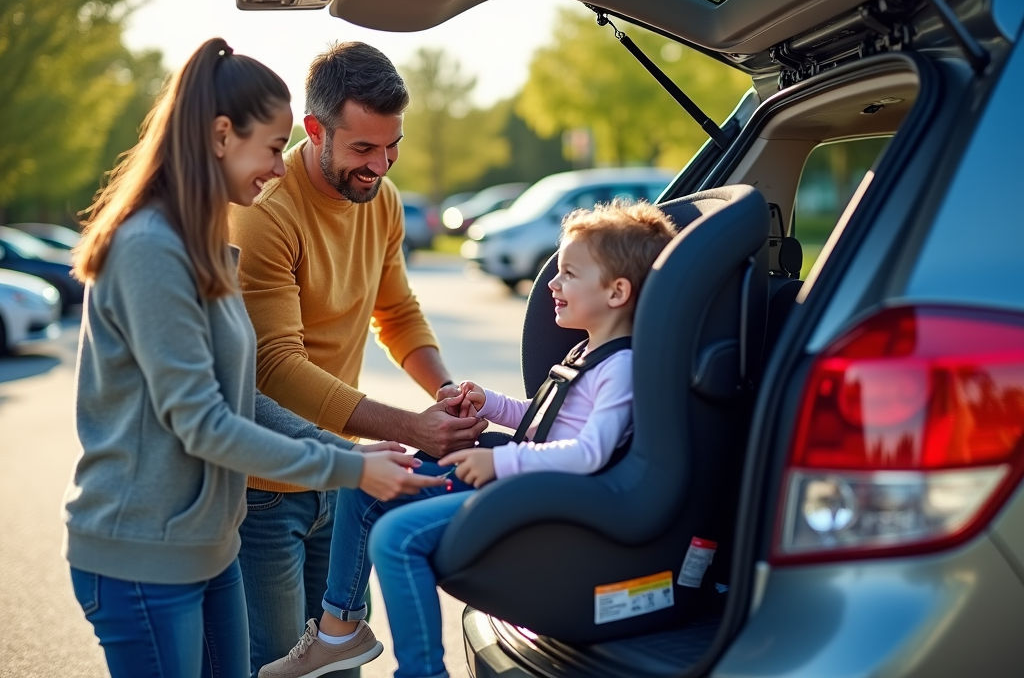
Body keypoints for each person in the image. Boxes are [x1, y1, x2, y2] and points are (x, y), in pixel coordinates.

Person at [62, 38, 445, 678]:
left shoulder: (204, 242)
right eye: (273, 148)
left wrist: (351, 455)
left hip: (202, 544)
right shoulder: (155, 248)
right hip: (143, 551)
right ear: (219, 136)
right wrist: (348, 462)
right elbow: (208, 420)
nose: (278, 168)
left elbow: (244, 395)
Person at [259, 200, 679, 678]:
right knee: (365, 482)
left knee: (397, 537)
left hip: (545, 501)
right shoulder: (587, 351)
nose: (552, 285)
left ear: (617, 291)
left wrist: (502, 465)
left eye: (568, 274)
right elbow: (545, 422)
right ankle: (341, 631)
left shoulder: (620, 368)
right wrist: (491, 404)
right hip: (522, 480)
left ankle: (422, 672)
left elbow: (589, 454)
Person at [227, 41, 484, 675]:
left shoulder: (384, 202)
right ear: (315, 131)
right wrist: (410, 428)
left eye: (392, 145)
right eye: (363, 149)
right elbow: (276, 369)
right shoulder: (267, 214)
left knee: (340, 664)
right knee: (277, 665)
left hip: (346, 478)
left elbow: (395, 314)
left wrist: (446, 391)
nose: (381, 165)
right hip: (269, 487)